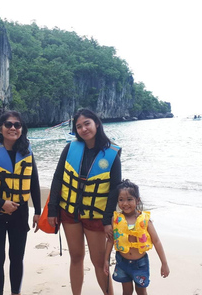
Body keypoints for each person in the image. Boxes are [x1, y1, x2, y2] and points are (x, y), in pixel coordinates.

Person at [47, 108, 122, 295]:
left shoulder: (111, 154)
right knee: (76, 257)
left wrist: (107, 221)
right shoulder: (70, 148)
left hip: (95, 216)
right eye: (78, 126)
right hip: (69, 212)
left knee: (99, 262)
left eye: (87, 123)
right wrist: (52, 210)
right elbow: (58, 178)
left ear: (96, 123)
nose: (83, 129)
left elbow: (114, 191)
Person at [0, 110, 41, 295]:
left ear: (22, 129)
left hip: (20, 213)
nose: (13, 128)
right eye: (9, 124)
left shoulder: (27, 152)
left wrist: (37, 210)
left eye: (17, 125)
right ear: (0, 128)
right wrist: (1, 203)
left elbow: (33, 182)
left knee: (17, 257)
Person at [104, 179, 170, 295]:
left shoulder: (145, 220)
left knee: (141, 291)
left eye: (129, 199)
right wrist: (106, 259)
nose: (125, 203)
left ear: (137, 200)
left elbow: (157, 241)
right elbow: (110, 240)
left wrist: (164, 263)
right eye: (121, 200)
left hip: (140, 264)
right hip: (122, 262)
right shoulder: (116, 220)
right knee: (127, 291)